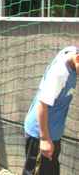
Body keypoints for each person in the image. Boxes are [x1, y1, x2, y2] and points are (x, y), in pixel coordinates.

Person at [23, 46, 79, 175]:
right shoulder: (60, 74)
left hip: (53, 133)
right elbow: (42, 104)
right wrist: (44, 139)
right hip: (40, 135)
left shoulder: (71, 52)